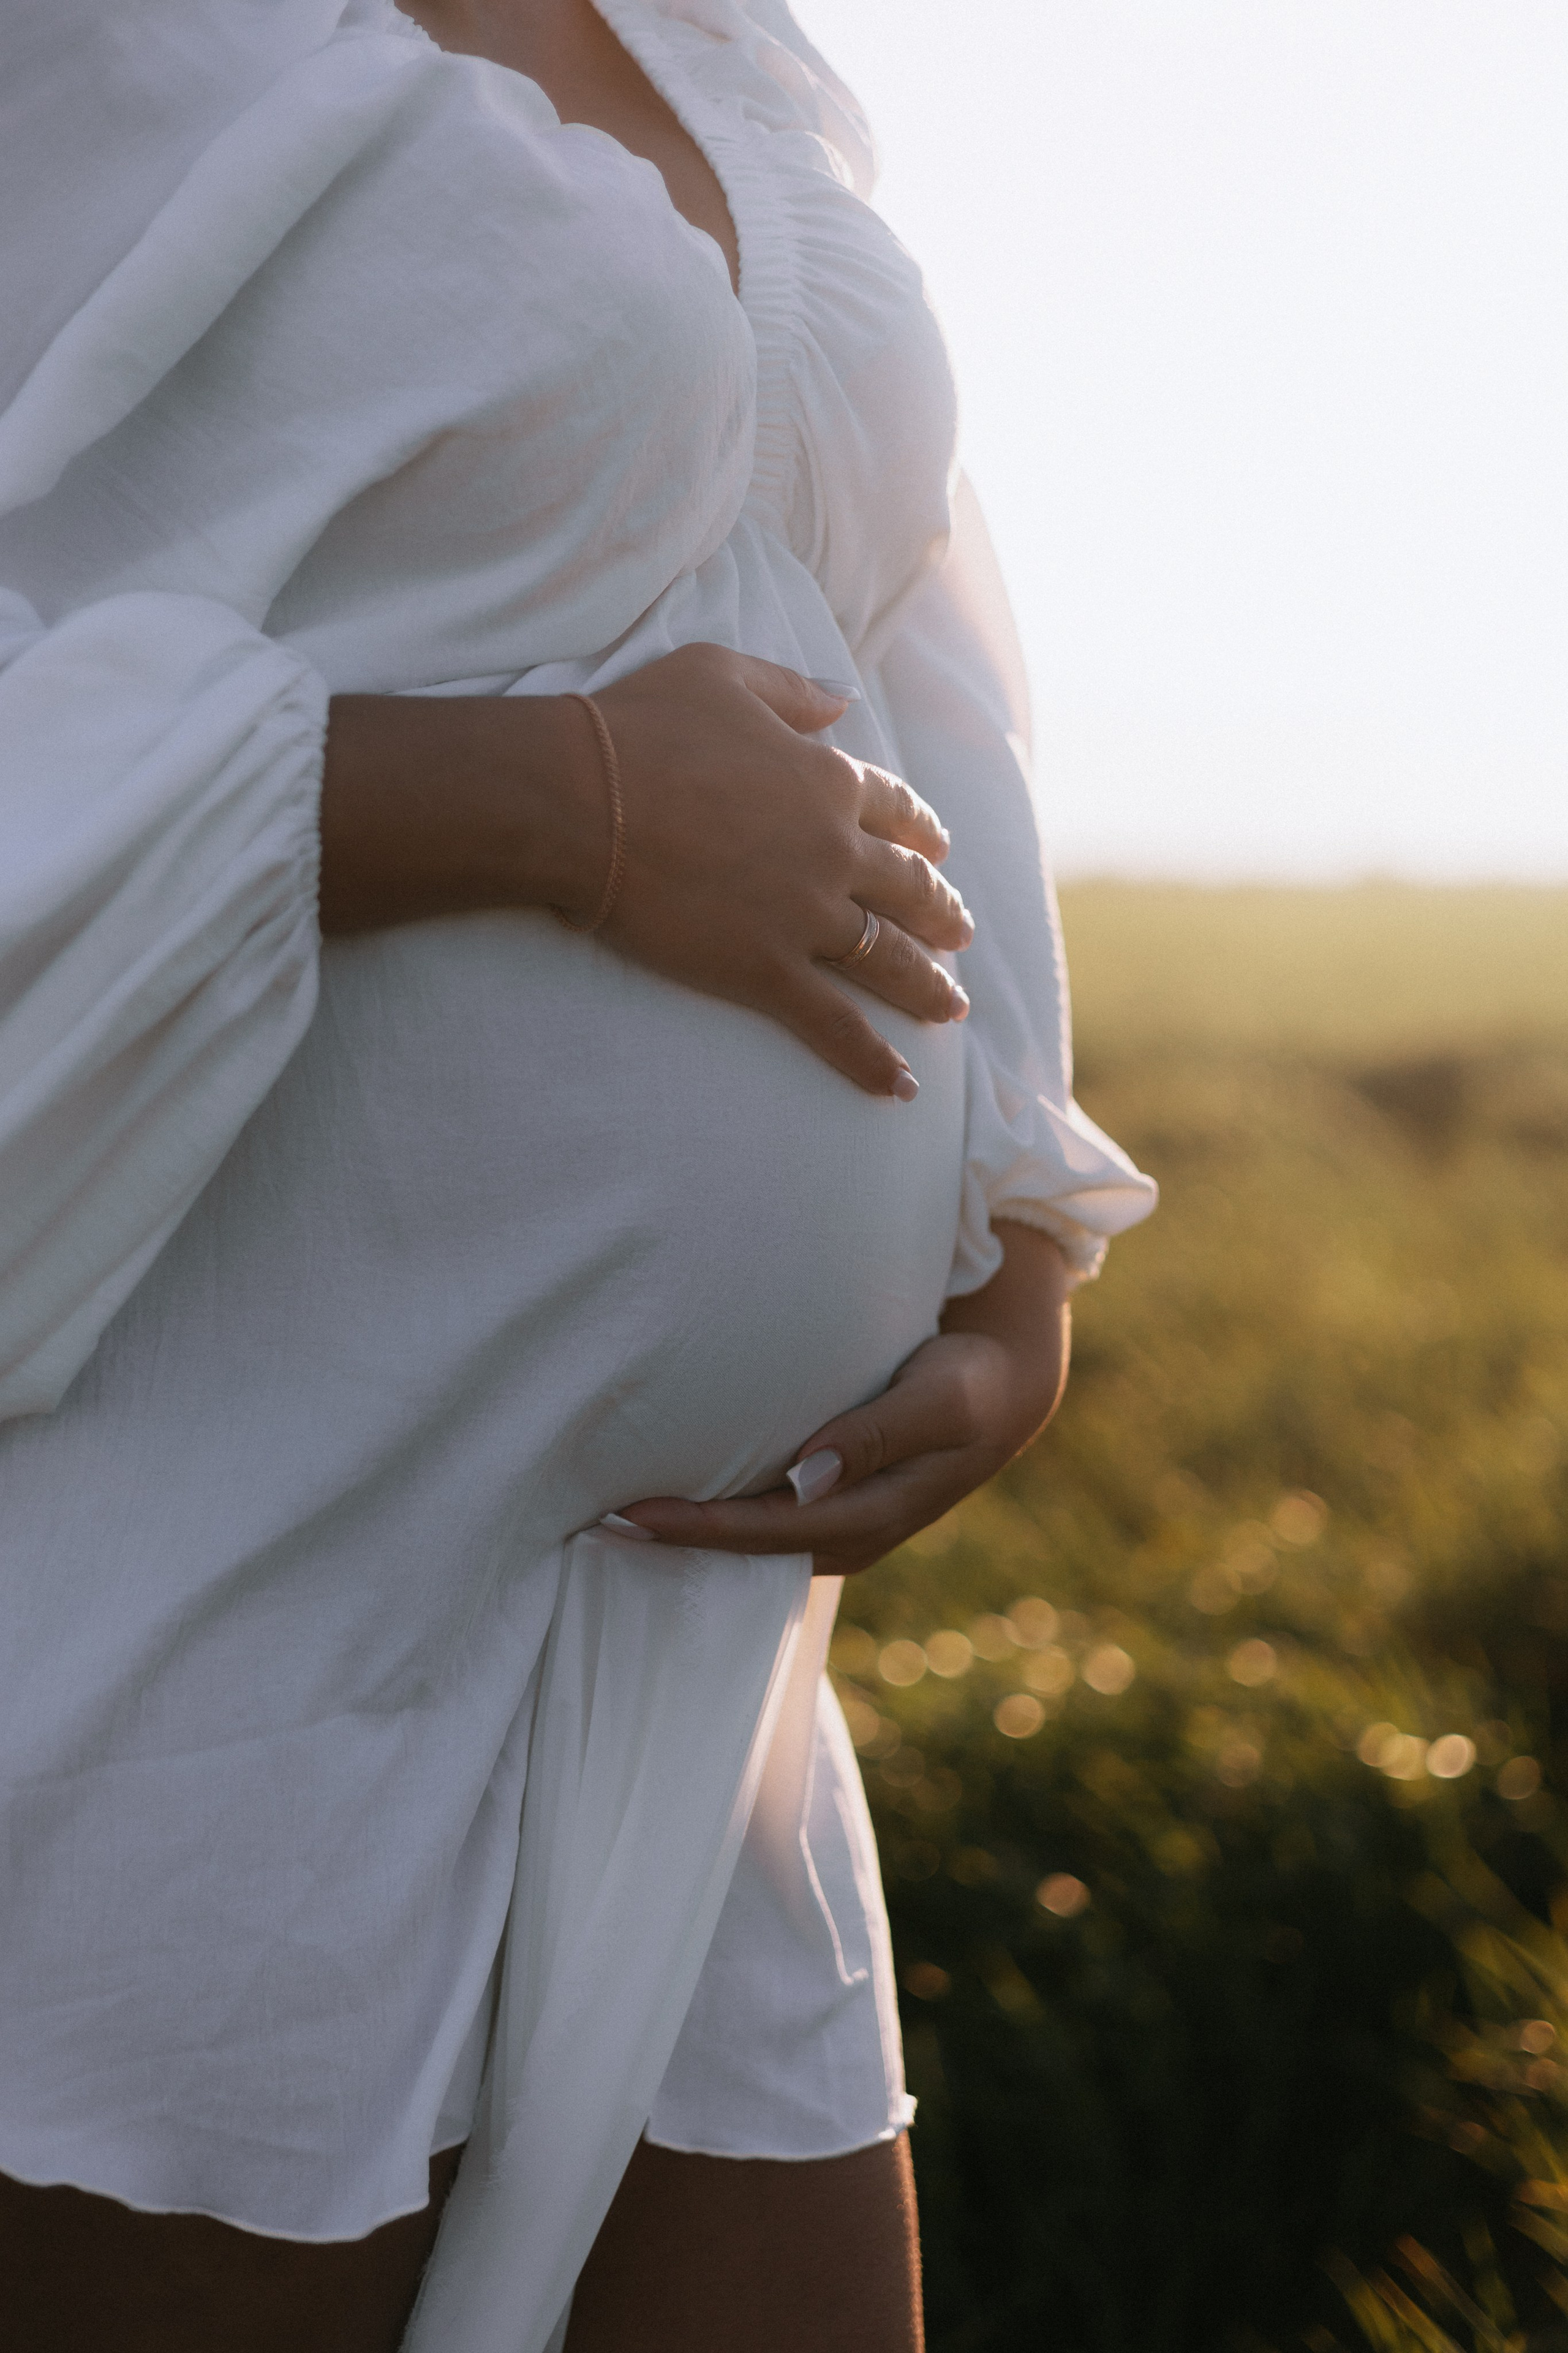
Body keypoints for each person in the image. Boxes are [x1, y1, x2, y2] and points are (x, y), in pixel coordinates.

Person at [0, 3, 1156, 2347]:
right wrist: (559, 805)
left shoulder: (727, 43)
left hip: (691, 1648)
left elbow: (896, 624)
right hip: (214, 1556)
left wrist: (1019, 1234)